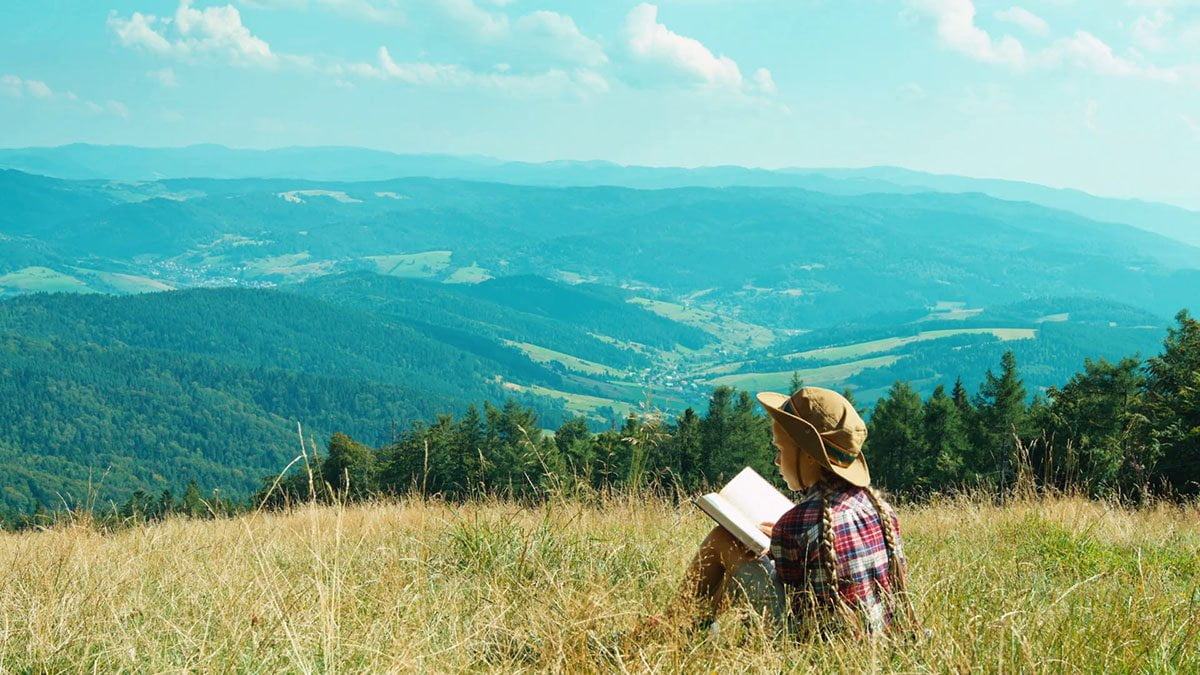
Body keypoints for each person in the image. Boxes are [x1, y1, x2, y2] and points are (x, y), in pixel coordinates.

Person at [662, 386, 913, 636]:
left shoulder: (798, 522)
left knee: (723, 539)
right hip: (874, 636)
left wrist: (775, 546)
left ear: (810, 456)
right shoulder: (880, 508)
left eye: (780, 449)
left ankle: (670, 625)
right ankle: (689, 628)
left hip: (809, 639)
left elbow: (790, 593)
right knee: (738, 560)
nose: (777, 461)